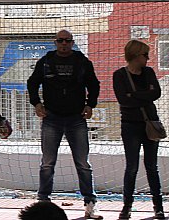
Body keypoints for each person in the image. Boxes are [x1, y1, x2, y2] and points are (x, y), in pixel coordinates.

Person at [27, 30, 102, 219]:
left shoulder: (82, 62)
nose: (64, 44)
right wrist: (36, 103)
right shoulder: (45, 62)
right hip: (51, 118)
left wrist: (90, 104)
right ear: (55, 42)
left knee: (83, 163)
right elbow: (32, 83)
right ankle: (43, 202)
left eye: (67, 41)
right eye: (60, 40)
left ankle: (90, 203)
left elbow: (94, 84)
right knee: (47, 162)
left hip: (76, 118)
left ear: (72, 42)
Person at [113, 40, 164, 219]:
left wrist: (133, 94)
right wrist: (144, 96)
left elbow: (156, 93)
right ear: (135, 55)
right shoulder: (119, 75)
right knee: (132, 167)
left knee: (152, 166)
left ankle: (158, 206)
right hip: (130, 125)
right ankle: (127, 206)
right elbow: (123, 100)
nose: (148, 59)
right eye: (145, 55)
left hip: (149, 123)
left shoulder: (148, 72)